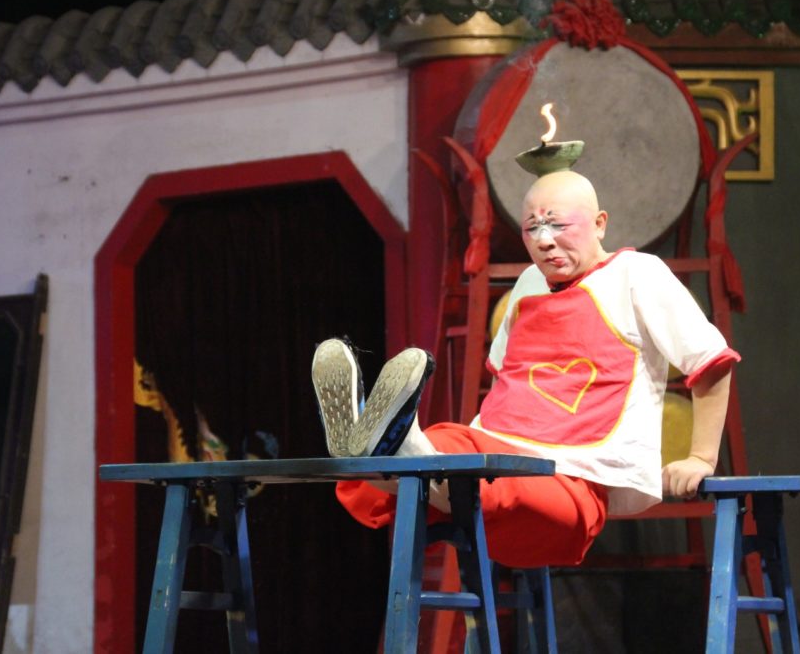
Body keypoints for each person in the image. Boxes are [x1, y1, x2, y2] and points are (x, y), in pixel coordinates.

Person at [311, 170, 739, 568]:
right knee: (447, 440)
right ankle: (381, 450)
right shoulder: (529, 284)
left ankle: (395, 452)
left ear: (600, 224)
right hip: (495, 450)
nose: (544, 240)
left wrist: (702, 457)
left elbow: (711, 362)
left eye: (558, 225)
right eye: (532, 227)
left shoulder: (637, 274)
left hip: (571, 482)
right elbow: (506, 377)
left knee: (490, 479)